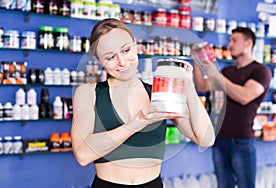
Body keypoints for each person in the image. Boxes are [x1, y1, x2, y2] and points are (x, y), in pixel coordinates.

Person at [71, 18, 215, 187]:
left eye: (126, 50)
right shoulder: (88, 93)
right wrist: (137, 123)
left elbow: (206, 139)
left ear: (135, 45)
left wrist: (188, 86)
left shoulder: (158, 92)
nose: (122, 62)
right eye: (110, 57)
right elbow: (82, 154)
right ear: (98, 60)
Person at [193, 27, 272, 188]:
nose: (230, 44)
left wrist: (216, 75)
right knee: (223, 185)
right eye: (229, 40)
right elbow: (202, 87)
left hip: (241, 141)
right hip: (220, 139)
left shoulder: (260, 71)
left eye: (234, 40)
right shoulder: (227, 71)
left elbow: (244, 97)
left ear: (248, 43)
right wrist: (197, 62)